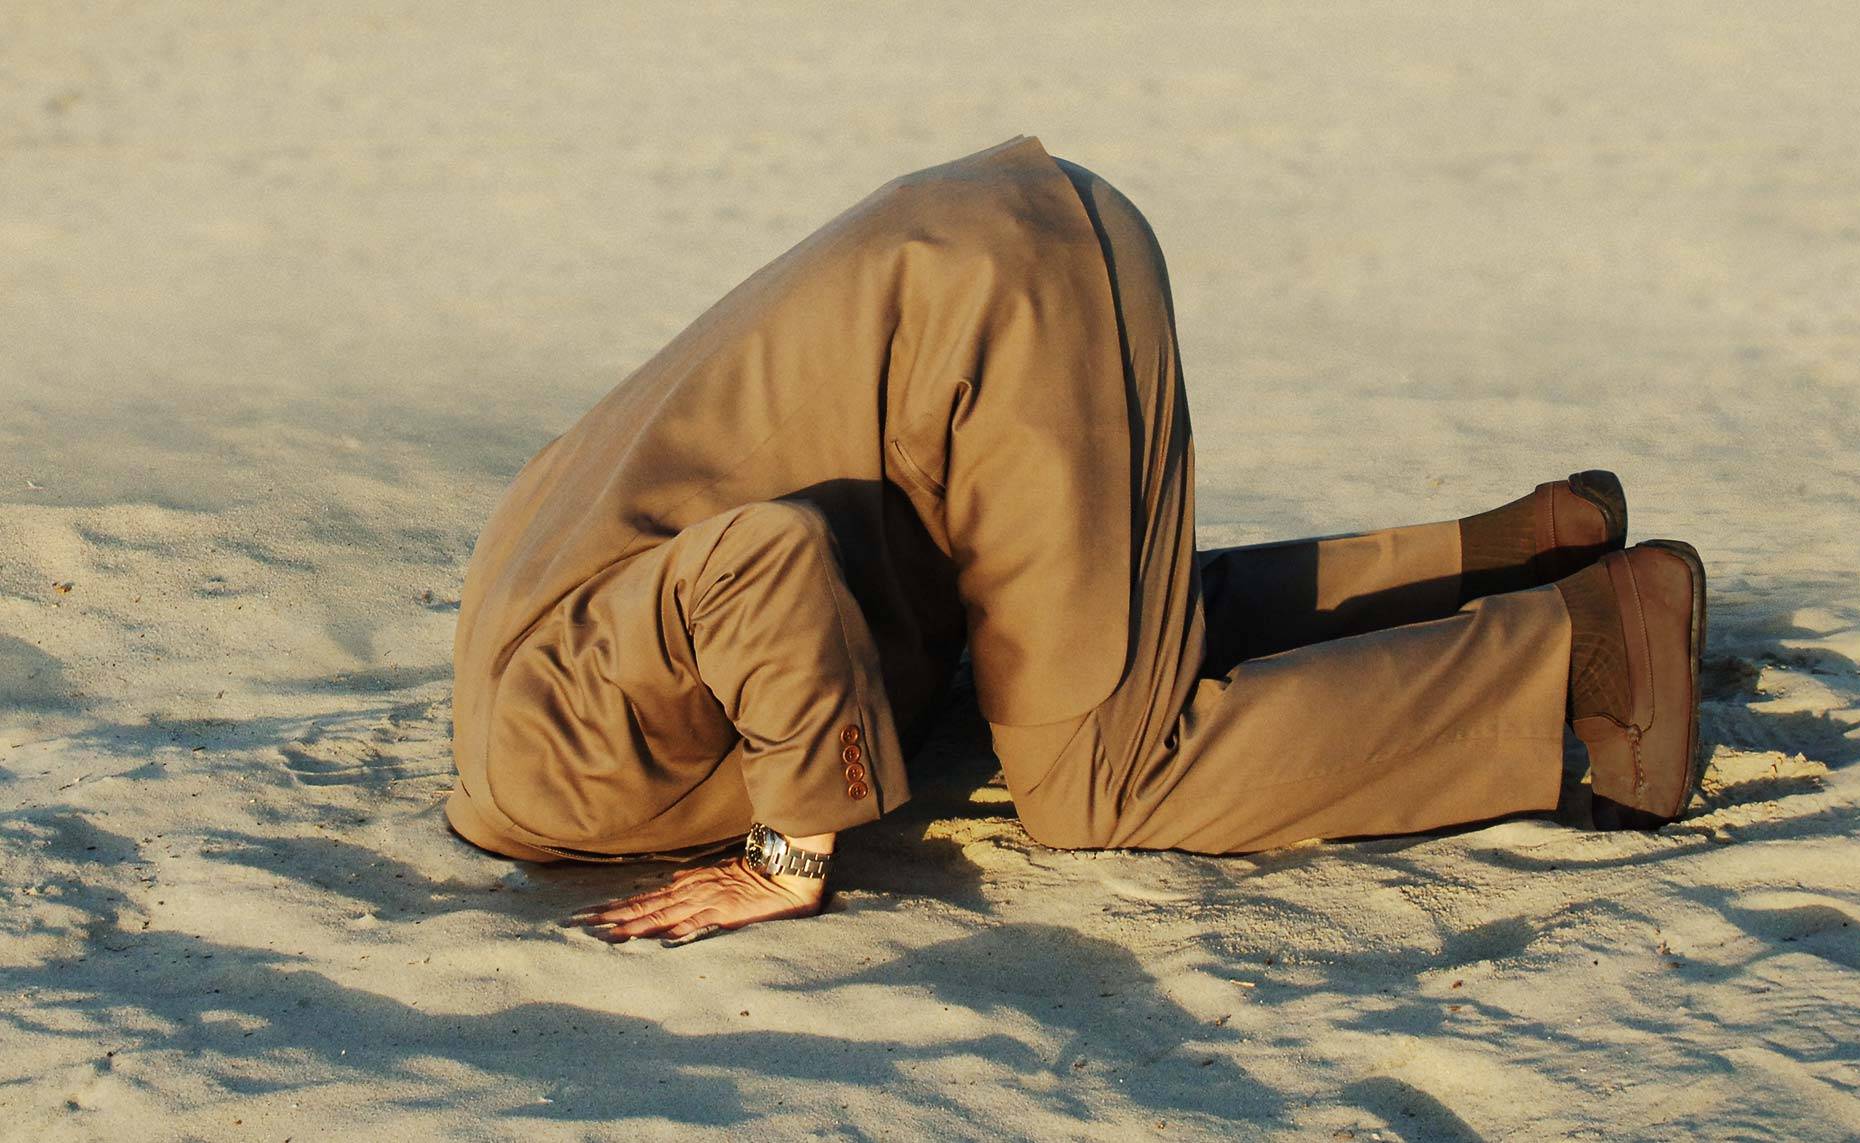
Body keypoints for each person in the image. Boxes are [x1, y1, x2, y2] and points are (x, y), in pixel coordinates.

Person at [443, 135, 1707, 946]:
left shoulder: (555, 771)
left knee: (1100, 775)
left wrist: (786, 852)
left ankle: (1586, 656)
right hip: (973, 264)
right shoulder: (525, 686)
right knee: (1102, 651)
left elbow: (756, 561)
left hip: (989, 317)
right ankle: (1526, 555)